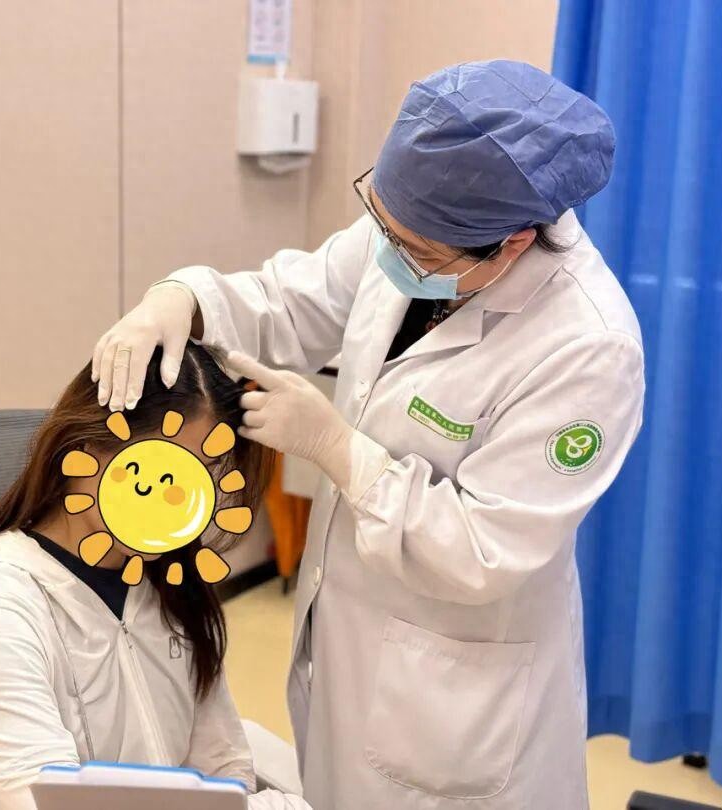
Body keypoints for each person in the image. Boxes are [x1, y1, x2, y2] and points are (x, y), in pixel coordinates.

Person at [93, 60, 645, 809]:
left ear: (513, 244)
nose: (389, 253)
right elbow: (290, 300)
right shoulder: (417, 226)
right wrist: (181, 297)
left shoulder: (587, 346)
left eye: (415, 249)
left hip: (458, 697)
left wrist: (339, 451)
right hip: (351, 636)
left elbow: (485, 550)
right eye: (383, 222)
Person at [0, 343, 308, 810]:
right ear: (86, 446)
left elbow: (222, 760)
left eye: (201, 475)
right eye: (162, 473)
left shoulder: (167, 581)